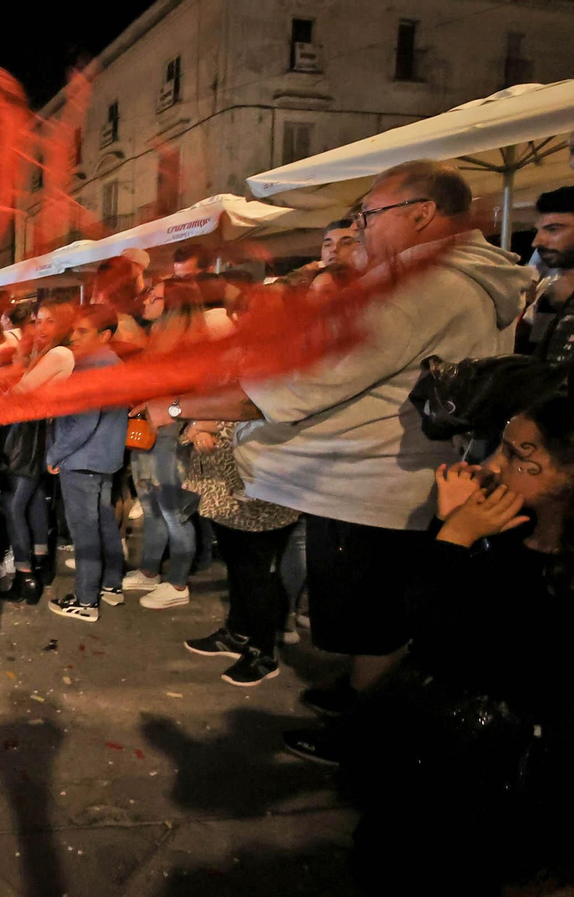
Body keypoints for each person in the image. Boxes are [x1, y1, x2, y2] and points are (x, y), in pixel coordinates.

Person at [144, 160, 535, 763]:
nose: (360, 228)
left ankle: (365, 737)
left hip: (374, 485)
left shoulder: (423, 287)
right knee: (373, 615)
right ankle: (359, 698)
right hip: (389, 478)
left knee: (373, 622)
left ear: (421, 213)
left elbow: (299, 387)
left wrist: (173, 406)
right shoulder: (457, 280)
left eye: (369, 214)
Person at [347, 396, 574, 894]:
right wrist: (452, 528)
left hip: (500, 771)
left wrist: (454, 538)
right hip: (447, 747)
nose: (491, 465)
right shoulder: (514, 530)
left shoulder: (557, 572)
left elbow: (449, 642)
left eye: (515, 455)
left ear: (567, 476)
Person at [179, 421, 301, 685]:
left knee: (254, 572)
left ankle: (263, 652)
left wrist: (205, 424)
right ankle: (237, 633)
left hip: (256, 484)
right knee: (236, 565)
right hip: (222, 488)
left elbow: (261, 413)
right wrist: (198, 427)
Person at [122, 282, 206, 610]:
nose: (146, 302)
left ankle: (178, 583)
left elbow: (196, 395)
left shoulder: (192, 345)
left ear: (172, 305)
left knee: (174, 511)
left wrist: (162, 405)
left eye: (154, 297)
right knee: (151, 505)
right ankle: (149, 571)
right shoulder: (157, 335)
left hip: (171, 434)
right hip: (147, 430)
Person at [46, 306, 129, 623]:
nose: (74, 336)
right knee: (103, 522)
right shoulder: (114, 362)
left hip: (82, 459)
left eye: (83, 331)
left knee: (85, 532)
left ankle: (85, 600)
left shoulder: (90, 366)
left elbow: (83, 422)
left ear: (104, 335)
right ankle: (111, 584)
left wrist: (55, 454)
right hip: (105, 457)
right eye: (74, 330)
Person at [3, 300, 76, 602]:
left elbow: (20, 391)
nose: (41, 328)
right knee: (33, 500)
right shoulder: (52, 352)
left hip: (32, 434)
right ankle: (41, 564)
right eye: (38, 320)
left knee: (13, 506)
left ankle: (25, 576)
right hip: (38, 433)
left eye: (50, 321)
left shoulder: (59, 354)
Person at [518, 186, 574, 364]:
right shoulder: (550, 296)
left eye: (553, 229)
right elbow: (535, 362)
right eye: (538, 231)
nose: (536, 242)